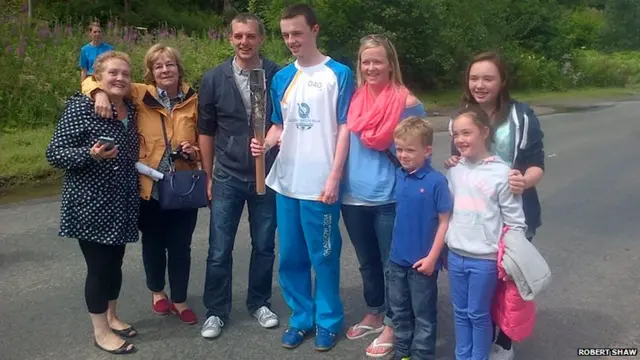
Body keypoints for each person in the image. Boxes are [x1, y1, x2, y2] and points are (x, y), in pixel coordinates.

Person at [250, 3, 355, 352]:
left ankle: (328, 321)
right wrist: (264, 144)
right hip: (286, 181)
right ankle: (301, 318)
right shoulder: (282, 77)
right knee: (292, 255)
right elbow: (279, 126)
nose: (292, 40)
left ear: (314, 30)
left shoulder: (338, 73)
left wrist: (334, 176)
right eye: (285, 35)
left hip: (320, 184)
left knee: (323, 256)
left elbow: (344, 127)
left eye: (297, 33)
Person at [84, 44, 200, 325]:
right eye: (158, 66)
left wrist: (193, 150)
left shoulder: (195, 99)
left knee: (181, 245)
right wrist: (98, 92)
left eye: (169, 64)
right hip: (148, 187)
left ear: (178, 68)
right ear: (150, 72)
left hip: (183, 185)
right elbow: (92, 79)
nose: (164, 70)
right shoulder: (139, 92)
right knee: (154, 243)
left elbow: (204, 139)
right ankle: (158, 293)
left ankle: (180, 298)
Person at [444, 51, 545, 360]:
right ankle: (478, 343)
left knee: (507, 288)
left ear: (502, 82)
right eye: (474, 78)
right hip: (475, 219)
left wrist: (523, 181)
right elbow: (460, 160)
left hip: (514, 211)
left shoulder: (521, 116)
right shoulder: (462, 117)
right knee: (478, 297)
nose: (480, 84)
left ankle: (504, 343)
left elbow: (537, 163)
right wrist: (453, 161)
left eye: (488, 78)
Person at [46, 50, 139, 355]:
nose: (120, 78)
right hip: (90, 203)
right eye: (112, 73)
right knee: (99, 268)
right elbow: (55, 153)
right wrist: (91, 154)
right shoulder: (82, 107)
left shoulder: (132, 108)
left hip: (123, 201)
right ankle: (100, 332)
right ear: (97, 77)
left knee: (116, 264)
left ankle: (112, 316)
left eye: (125, 73)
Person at [197, 13, 281, 339]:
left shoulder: (277, 74)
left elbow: (286, 121)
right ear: (230, 39)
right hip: (227, 176)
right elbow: (206, 130)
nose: (244, 42)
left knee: (264, 245)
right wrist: (207, 175)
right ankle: (216, 311)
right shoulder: (214, 78)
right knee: (219, 249)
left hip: (268, 176)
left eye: (250, 36)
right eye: (238, 36)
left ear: (261, 39)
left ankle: (259, 303)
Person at [341, 34, 426, 358]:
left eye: (378, 60)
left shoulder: (407, 102)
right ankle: (375, 311)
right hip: (353, 196)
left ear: (391, 64)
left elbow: (419, 156)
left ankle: (394, 323)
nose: (372, 66)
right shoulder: (355, 99)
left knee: (394, 265)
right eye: (366, 61)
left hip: (390, 196)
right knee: (367, 263)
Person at [446, 106, 529, 360]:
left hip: (485, 259)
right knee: (460, 312)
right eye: (456, 134)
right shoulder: (454, 171)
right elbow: (448, 212)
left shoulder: (502, 173)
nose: (460, 139)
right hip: (455, 254)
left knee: (478, 313)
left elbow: (516, 222)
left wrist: (509, 259)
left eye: (467, 132)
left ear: (484, 132)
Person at [387, 116, 452, 360]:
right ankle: (402, 353)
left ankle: (422, 355)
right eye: (399, 149)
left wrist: (432, 258)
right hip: (397, 261)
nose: (403, 155)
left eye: (410, 150)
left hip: (423, 263)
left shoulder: (436, 182)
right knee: (400, 312)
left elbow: (444, 222)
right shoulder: (400, 175)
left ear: (427, 150)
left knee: (423, 315)